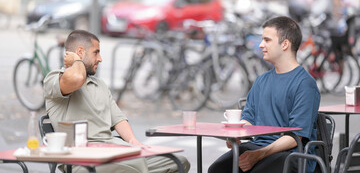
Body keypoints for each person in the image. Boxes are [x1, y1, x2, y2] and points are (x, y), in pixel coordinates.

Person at [44, 30, 190, 173]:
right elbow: (76, 78)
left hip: (114, 152)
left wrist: (133, 141)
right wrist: (76, 61)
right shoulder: (55, 79)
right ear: (80, 52)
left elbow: (118, 119)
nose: (100, 58)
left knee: (179, 162)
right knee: (135, 165)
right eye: (96, 52)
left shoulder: (99, 85)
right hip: (84, 159)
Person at [208, 16, 320, 173]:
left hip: (292, 154)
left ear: (285, 44)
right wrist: (235, 134)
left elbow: (296, 137)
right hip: (258, 146)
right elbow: (249, 120)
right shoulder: (262, 80)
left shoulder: (305, 84)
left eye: (267, 40)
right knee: (217, 169)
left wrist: (259, 155)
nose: (261, 45)